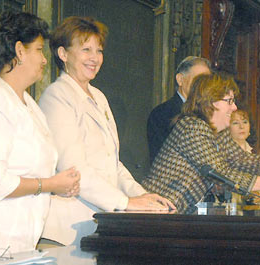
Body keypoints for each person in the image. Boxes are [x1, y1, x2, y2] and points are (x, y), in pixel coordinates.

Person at [38, 16, 175, 247]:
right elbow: (74, 169)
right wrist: (126, 202)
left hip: (99, 223)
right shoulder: (56, 96)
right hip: (66, 232)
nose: (94, 58)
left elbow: (113, 163)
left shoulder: (98, 97)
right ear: (63, 54)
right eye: (86, 49)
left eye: (99, 50)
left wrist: (141, 196)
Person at [142, 73, 260, 214]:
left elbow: (243, 161)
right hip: (155, 210)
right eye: (229, 101)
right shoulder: (192, 127)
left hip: (176, 212)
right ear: (211, 101)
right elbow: (222, 174)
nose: (235, 107)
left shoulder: (218, 133)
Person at [0, 11, 80, 253]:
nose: (45, 59)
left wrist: (61, 184)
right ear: (19, 51)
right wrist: (50, 184)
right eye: (38, 49)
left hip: (20, 244)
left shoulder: (29, 104)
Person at [147, 56, 211, 163]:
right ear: (180, 79)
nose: (204, 86)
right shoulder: (162, 114)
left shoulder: (209, 113)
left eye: (207, 82)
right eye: (199, 80)